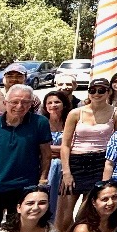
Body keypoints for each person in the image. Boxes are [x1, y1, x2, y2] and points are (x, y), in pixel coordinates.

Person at [0, 85, 53, 226]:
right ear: (5, 103)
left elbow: (46, 154)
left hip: (23, 187)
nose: (19, 106)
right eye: (14, 102)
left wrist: (43, 180)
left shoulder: (40, 123)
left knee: (19, 229)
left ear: (31, 104)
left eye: (25, 102)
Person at [59, 77, 117, 232]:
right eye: (92, 90)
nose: (96, 94)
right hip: (76, 162)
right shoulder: (75, 113)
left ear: (108, 92)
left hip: (100, 162)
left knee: (86, 213)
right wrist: (66, 172)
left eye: (101, 90)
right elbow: (65, 145)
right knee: (65, 217)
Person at [39, 89, 73, 217]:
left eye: (57, 102)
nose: (53, 105)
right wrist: (62, 148)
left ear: (64, 104)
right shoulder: (41, 123)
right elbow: (37, 146)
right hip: (44, 165)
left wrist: (49, 148)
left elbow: (72, 146)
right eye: (49, 103)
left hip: (65, 166)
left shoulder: (70, 122)